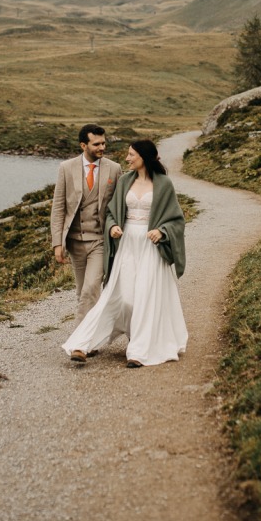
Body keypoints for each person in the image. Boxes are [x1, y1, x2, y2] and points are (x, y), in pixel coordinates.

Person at [62, 139, 188, 368]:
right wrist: (112, 227)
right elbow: (111, 212)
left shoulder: (164, 184)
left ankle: (138, 351)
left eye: (131, 155)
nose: (127, 158)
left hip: (151, 249)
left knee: (143, 298)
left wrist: (162, 231)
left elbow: (177, 221)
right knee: (118, 296)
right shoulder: (124, 181)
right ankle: (82, 344)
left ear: (144, 157)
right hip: (127, 244)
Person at [50, 124, 122, 326]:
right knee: (82, 291)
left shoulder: (114, 169)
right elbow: (58, 207)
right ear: (84, 145)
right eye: (96, 144)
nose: (102, 147)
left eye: (103, 143)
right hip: (74, 242)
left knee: (91, 288)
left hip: (100, 240)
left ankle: (80, 342)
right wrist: (57, 243)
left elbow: (119, 206)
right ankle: (91, 335)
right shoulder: (66, 168)